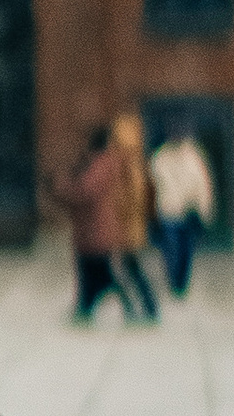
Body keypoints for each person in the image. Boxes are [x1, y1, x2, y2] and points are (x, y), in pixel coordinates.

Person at [53, 124, 147, 322]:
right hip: (93, 230)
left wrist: (62, 186)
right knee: (92, 272)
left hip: (96, 230)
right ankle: (87, 308)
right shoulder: (108, 162)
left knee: (101, 273)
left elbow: (85, 191)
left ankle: (97, 308)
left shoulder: (102, 163)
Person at [148, 120, 217, 299]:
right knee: (172, 249)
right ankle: (175, 282)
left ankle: (181, 282)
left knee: (186, 250)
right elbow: (154, 185)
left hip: (189, 211)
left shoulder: (194, 156)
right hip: (169, 210)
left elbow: (203, 185)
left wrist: (204, 210)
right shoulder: (160, 157)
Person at [109, 111, 161, 322]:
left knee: (129, 269)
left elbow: (133, 199)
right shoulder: (133, 164)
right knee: (129, 269)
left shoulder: (131, 167)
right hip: (128, 228)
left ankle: (142, 307)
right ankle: (139, 307)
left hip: (128, 228)